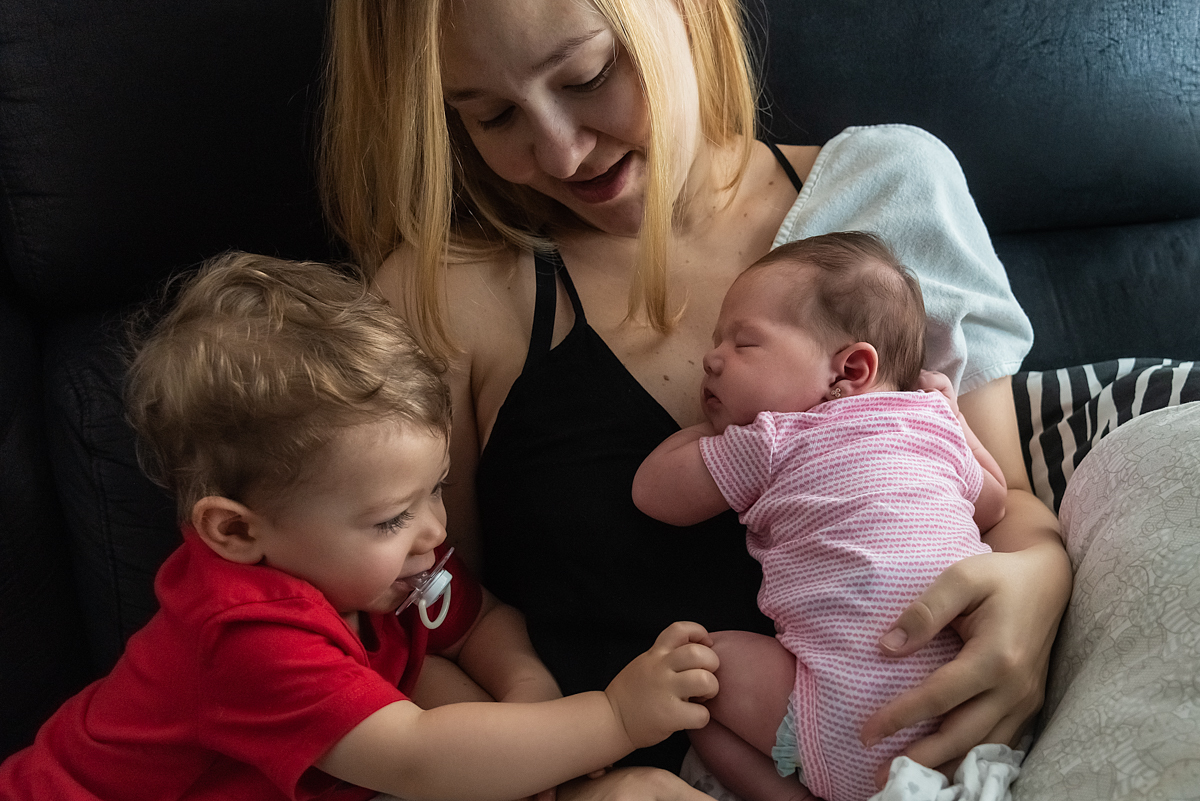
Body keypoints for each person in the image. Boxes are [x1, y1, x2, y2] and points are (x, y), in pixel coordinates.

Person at [319, 0, 1072, 791]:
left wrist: (1040, 585)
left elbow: (1004, 499)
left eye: (588, 74)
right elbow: (415, 614)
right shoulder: (442, 295)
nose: (562, 150)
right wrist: (569, 785)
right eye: (495, 115)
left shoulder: (890, 191)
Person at [0, 252, 720, 801]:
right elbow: (415, 753)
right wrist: (613, 718)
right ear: (238, 532)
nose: (433, 531)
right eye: (391, 518)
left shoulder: (387, 567)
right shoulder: (244, 636)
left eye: (433, 489)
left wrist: (529, 695)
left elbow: (471, 627)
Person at [632, 232, 1009, 801]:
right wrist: (953, 415)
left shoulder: (772, 439)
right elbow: (994, 502)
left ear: (849, 369)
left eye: (744, 344)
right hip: (971, 707)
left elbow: (652, 493)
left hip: (841, 718)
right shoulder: (931, 422)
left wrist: (716, 429)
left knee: (699, 680)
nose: (711, 359)